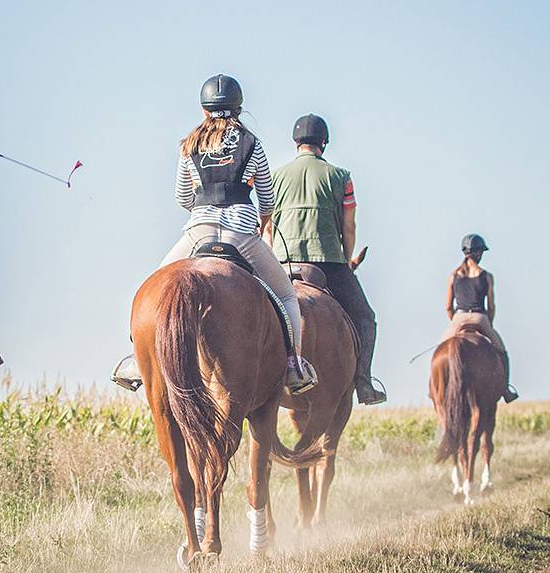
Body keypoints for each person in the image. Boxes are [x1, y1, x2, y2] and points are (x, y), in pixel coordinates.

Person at [113, 74, 318, 395]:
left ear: (204, 108)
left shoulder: (189, 145)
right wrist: (264, 221)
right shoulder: (253, 144)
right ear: (238, 108)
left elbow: (183, 197)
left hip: (198, 231)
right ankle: (294, 365)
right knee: (288, 296)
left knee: (148, 290)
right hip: (242, 235)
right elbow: (267, 197)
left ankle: (137, 361)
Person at [268, 114, 387, 405]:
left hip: (283, 265)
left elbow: (268, 226)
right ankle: (364, 383)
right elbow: (349, 226)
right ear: (324, 142)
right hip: (328, 261)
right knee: (365, 318)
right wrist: (346, 261)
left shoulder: (275, 176)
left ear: (296, 142)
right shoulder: (341, 177)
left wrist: (275, 259)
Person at [445, 234, 518, 401]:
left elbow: (448, 306)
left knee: (440, 350)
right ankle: (506, 390)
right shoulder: (487, 276)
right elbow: (491, 306)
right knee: (502, 352)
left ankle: (436, 387)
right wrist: (489, 325)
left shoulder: (453, 276)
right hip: (479, 318)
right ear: (478, 253)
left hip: (459, 317)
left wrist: (455, 323)